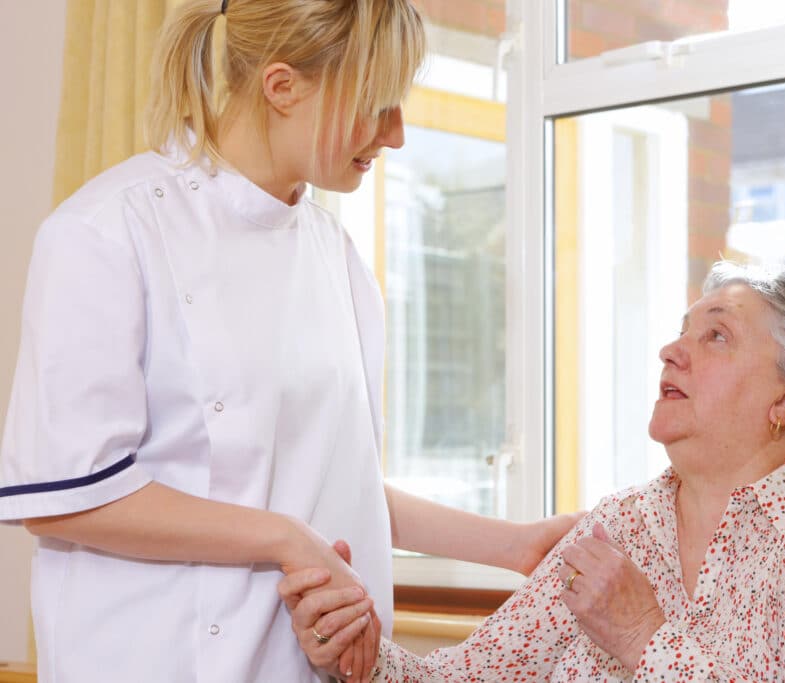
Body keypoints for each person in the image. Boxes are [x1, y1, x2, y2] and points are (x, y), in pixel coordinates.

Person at [0, 1, 578, 682]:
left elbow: (338, 480)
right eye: (377, 105)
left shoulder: (337, 258)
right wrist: (284, 537)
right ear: (282, 87)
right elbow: (69, 496)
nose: (395, 135)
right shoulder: (107, 232)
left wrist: (515, 544)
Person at [282, 261, 785, 681]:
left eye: (717, 336)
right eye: (682, 332)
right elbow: (470, 676)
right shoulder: (623, 521)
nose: (670, 350)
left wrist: (644, 635)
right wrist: (362, 655)